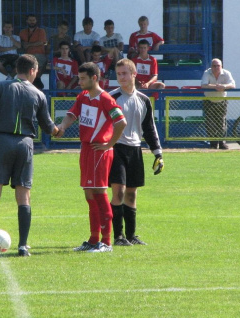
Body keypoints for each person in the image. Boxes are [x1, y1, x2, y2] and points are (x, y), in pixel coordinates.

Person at [0, 54, 61, 257]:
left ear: (16, 70)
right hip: (25, 144)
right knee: (24, 195)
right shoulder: (38, 94)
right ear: (32, 70)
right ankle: (23, 247)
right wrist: (59, 130)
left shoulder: (2, 87)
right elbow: (48, 126)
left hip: (1, 141)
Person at [56, 62, 126, 253]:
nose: (79, 82)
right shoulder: (83, 96)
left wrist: (109, 145)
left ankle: (107, 242)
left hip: (99, 151)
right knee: (89, 194)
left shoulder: (106, 99)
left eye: (83, 78)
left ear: (94, 78)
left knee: (99, 193)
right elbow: (72, 114)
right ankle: (94, 239)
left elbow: (121, 122)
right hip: (86, 149)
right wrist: (62, 127)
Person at [109, 58, 164, 246]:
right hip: (116, 149)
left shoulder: (143, 100)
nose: (121, 77)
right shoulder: (112, 98)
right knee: (119, 192)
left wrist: (158, 153)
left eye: (125, 73)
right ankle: (118, 236)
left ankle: (131, 235)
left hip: (135, 149)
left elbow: (149, 128)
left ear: (134, 74)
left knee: (132, 194)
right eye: (118, 74)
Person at [201, 58, 236, 149]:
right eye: (214, 66)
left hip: (222, 100)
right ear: (211, 66)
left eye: (218, 66)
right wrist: (216, 87)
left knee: (222, 122)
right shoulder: (207, 73)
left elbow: (233, 84)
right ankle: (213, 143)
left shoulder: (226, 73)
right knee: (210, 122)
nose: (216, 67)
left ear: (221, 66)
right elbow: (203, 85)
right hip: (209, 100)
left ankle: (221, 142)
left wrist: (224, 86)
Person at [19, 14, 48, 89]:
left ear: (36, 21)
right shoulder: (22, 32)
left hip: (40, 54)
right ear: (27, 21)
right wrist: (30, 44)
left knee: (38, 63)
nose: (32, 22)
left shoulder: (41, 31)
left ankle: (34, 80)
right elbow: (21, 44)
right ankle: (36, 81)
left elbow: (41, 42)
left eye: (33, 20)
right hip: (27, 56)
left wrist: (28, 45)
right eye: (30, 20)